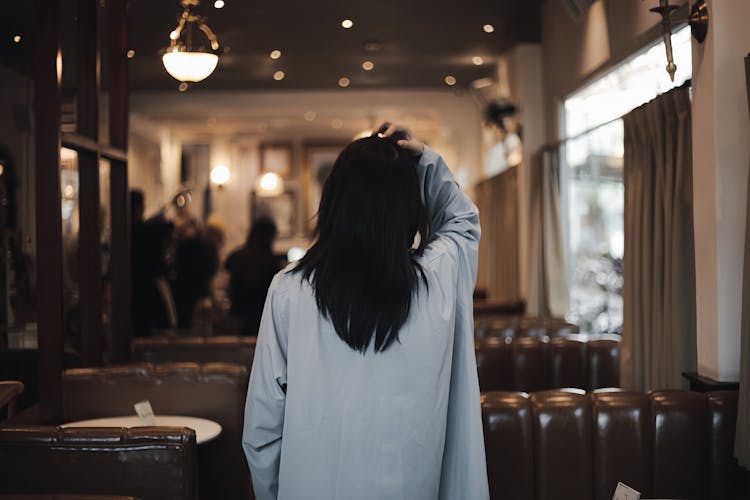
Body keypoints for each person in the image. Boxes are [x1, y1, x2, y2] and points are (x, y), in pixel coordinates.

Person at [242, 124, 489, 500]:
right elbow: (461, 221)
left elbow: (263, 429)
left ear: (333, 203)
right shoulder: (438, 278)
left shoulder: (289, 291)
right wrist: (423, 159)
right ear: (407, 208)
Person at [225, 217, 284, 336]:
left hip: (238, 314)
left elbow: (227, 283)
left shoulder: (236, 256)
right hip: (262, 315)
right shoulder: (271, 261)